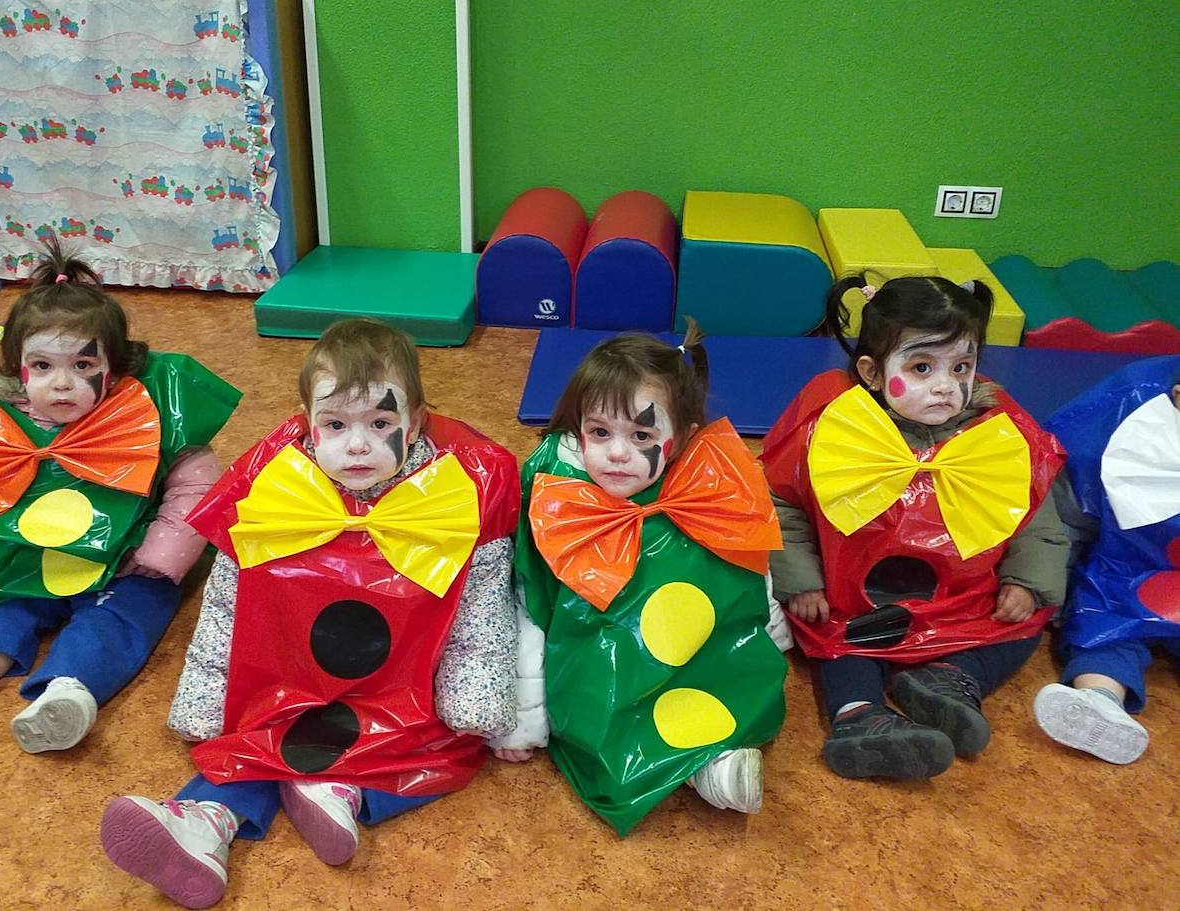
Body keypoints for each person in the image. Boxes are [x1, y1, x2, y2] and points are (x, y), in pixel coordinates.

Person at [101, 318, 520, 909]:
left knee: (437, 741)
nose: (357, 445)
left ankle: (299, 800)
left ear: (416, 421)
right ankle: (210, 821)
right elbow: (229, 601)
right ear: (306, 420)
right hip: (295, 686)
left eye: (380, 424)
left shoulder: (458, 492)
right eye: (335, 425)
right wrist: (206, 693)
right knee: (272, 728)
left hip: (403, 694)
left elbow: (481, 608)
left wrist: (477, 697)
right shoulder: (278, 490)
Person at [0, 244, 238, 752]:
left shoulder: (149, 412)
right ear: (18, 369)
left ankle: (68, 692)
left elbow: (195, 485)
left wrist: (160, 556)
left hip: (128, 563)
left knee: (117, 618)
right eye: (43, 366)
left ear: (113, 368)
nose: (62, 382)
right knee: (3, 611)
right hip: (32, 561)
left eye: (82, 364)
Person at [763, 275, 1069, 780]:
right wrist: (802, 581)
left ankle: (950, 679)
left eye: (962, 367)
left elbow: (1033, 506)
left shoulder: (997, 431)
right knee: (841, 647)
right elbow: (784, 503)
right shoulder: (832, 428)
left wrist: (1028, 582)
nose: (946, 385)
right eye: (922, 367)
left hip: (965, 603)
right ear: (873, 373)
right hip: (856, 609)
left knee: (1022, 628)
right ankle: (858, 718)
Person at [504, 323, 788, 835]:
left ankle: (711, 761)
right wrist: (524, 718)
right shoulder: (559, 497)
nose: (617, 454)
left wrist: (769, 622)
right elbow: (529, 605)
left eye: (641, 436)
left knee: (726, 682)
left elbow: (741, 557)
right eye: (600, 433)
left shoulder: (704, 483)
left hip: (689, 652)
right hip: (596, 664)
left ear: (678, 438)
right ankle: (697, 768)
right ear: (577, 427)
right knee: (604, 708)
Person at [1034, 356, 1180, 764]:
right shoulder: (1113, 424)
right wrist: (1051, 590)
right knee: (1106, 630)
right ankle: (1099, 701)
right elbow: (1063, 513)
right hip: (1123, 576)